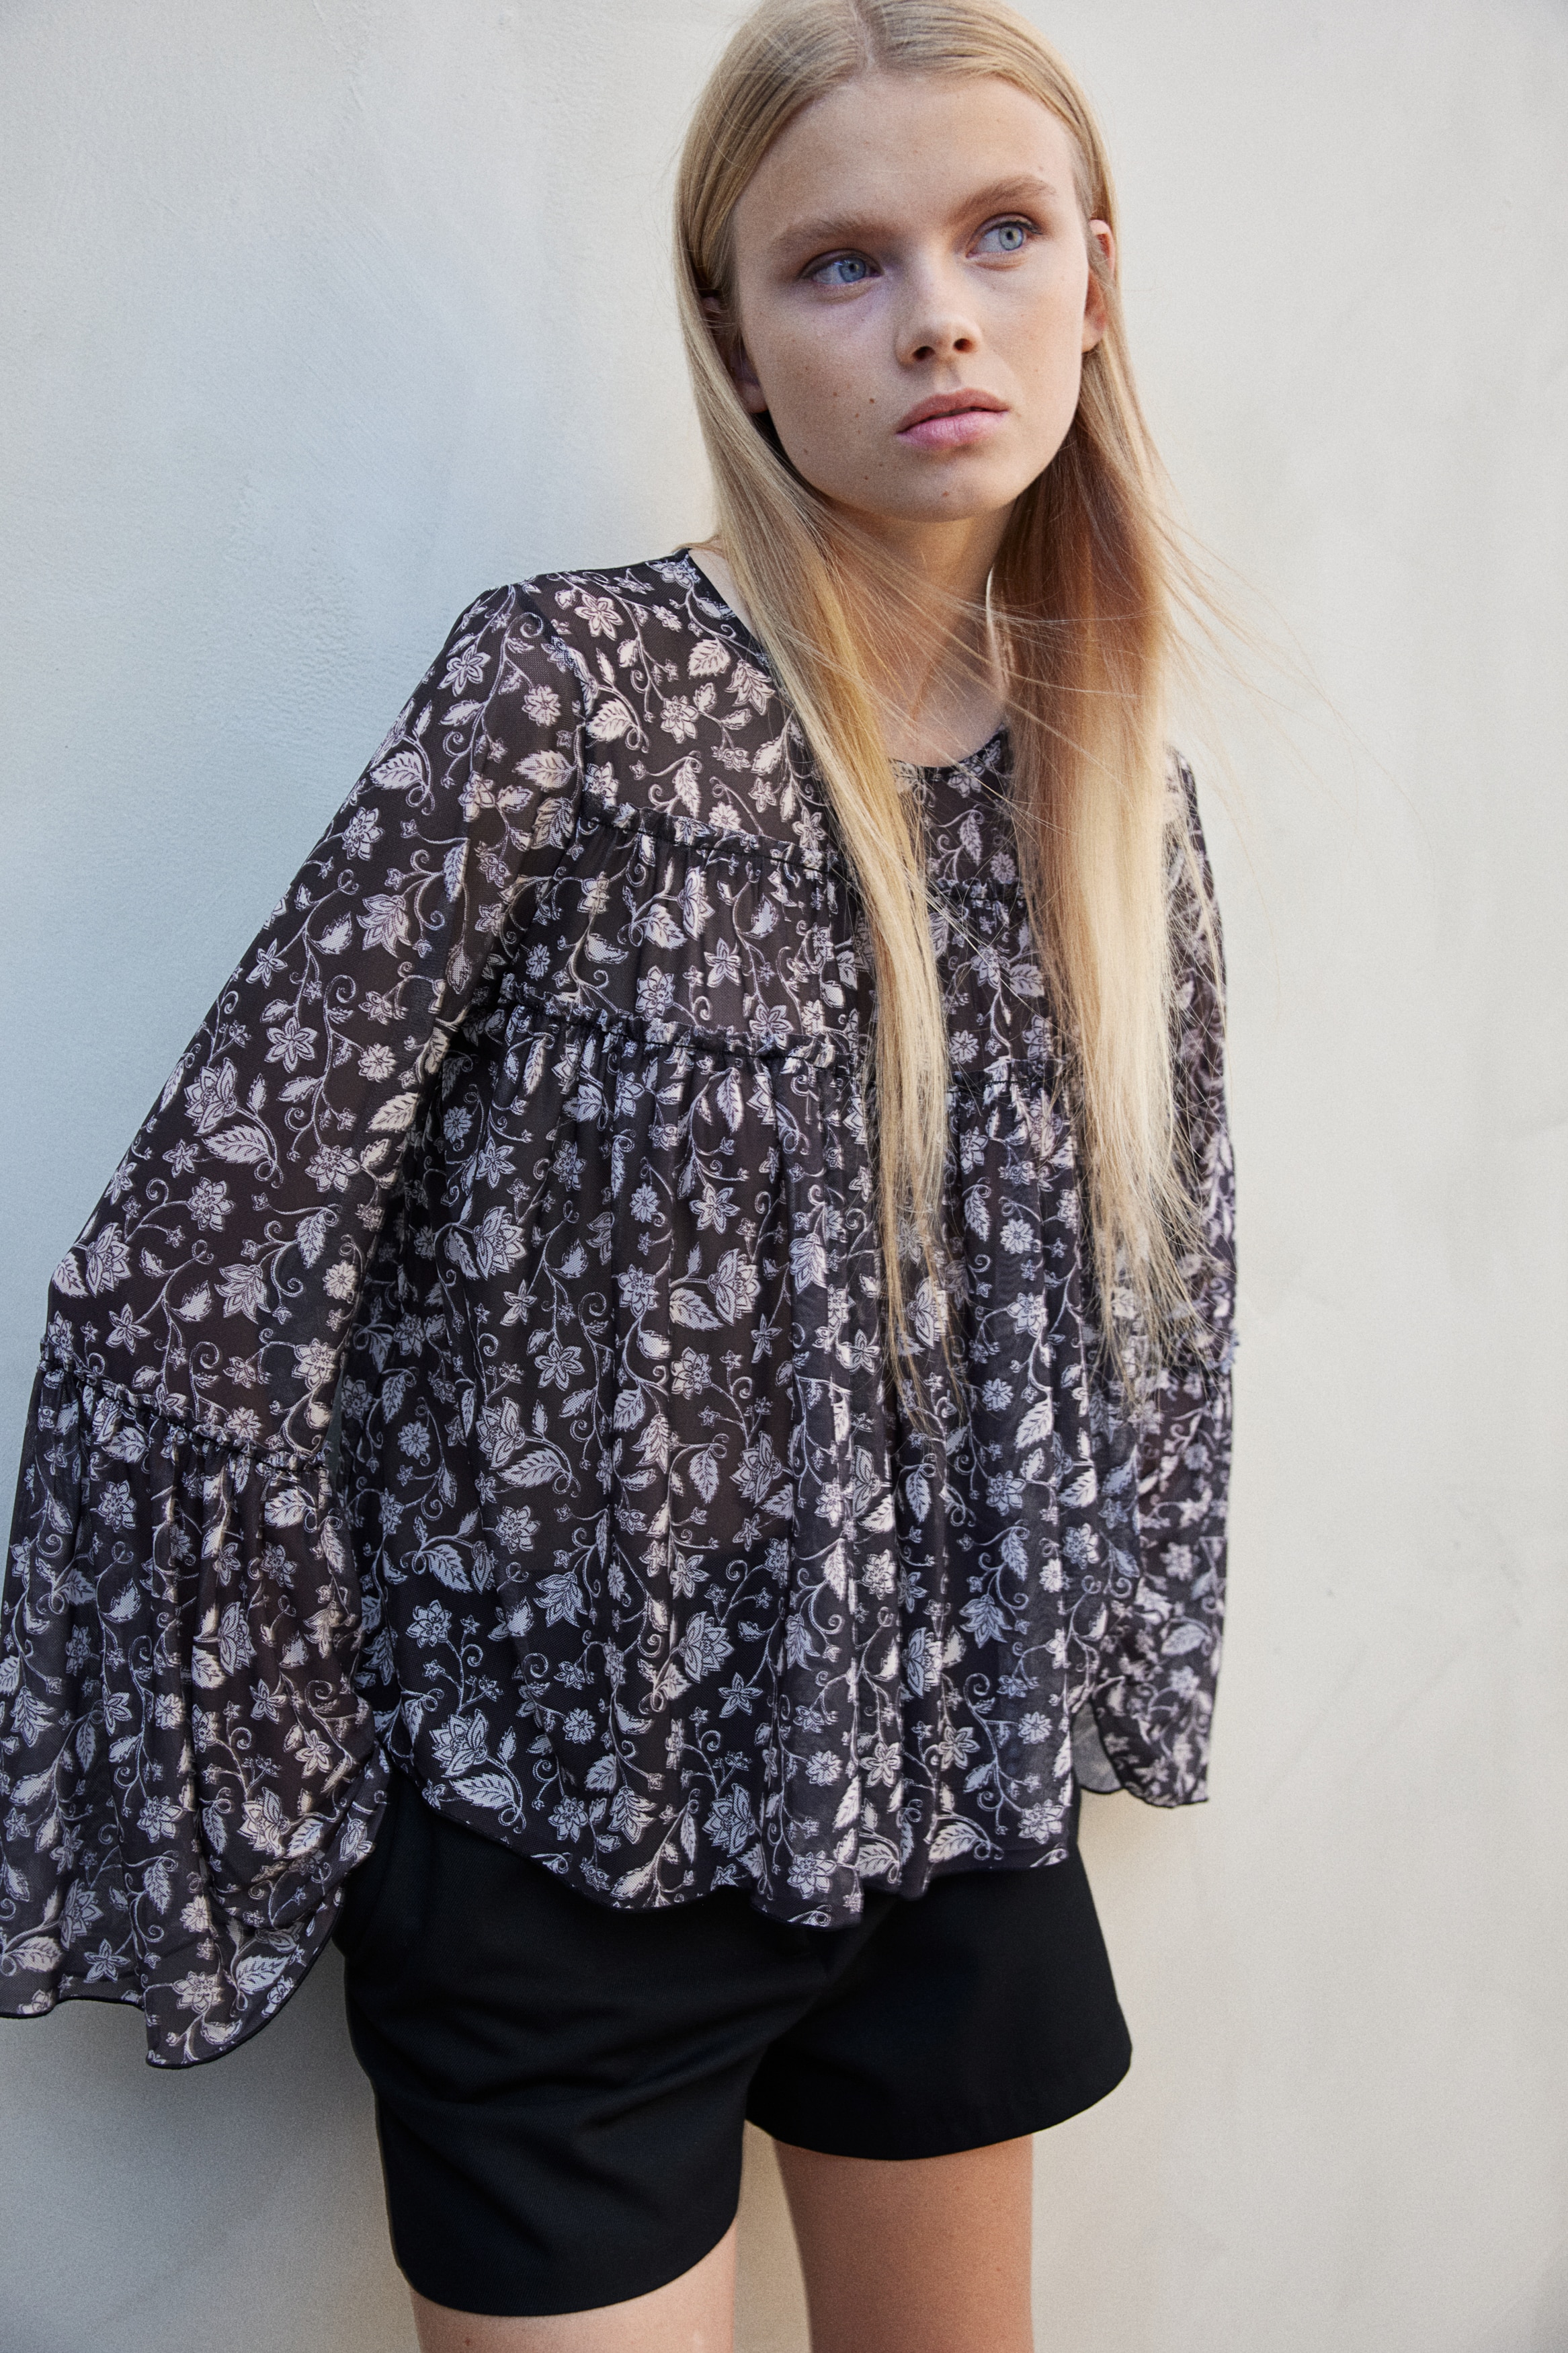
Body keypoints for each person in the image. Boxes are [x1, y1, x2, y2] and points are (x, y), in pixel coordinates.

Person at [0, 2, 1235, 2346]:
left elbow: (1157, 1289)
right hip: (565, 1862)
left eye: (1000, 232)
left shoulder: (1110, 772)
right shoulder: (570, 697)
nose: (939, 315)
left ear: (1097, 275)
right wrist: (327, 1783)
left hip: (952, 1819)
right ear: (736, 339)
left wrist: (1102, 1654)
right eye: (841, 262)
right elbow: (194, 1261)